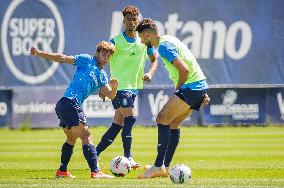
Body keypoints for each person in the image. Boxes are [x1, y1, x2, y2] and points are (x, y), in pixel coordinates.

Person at [29, 41, 117, 179]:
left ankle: (62, 171)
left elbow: (110, 95)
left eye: (109, 54)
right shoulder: (86, 60)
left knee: (71, 138)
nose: (106, 55)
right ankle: (96, 171)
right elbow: (61, 58)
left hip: (66, 104)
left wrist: (115, 87)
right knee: (87, 136)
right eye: (103, 52)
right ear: (97, 53)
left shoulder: (102, 76)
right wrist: (39, 53)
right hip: (69, 102)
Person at [135, 18, 211, 179]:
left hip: (191, 86)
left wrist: (178, 90)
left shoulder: (163, 46)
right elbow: (192, 62)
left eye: (141, 37)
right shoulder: (170, 39)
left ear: (148, 35)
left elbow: (184, 70)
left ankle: (157, 166)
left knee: (162, 119)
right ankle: (164, 167)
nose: (141, 41)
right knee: (174, 123)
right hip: (198, 85)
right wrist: (202, 89)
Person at [96, 5, 158, 169]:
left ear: (138, 20)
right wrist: (103, 86)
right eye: (128, 19)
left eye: (134, 19)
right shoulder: (115, 41)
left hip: (133, 89)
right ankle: (128, 157)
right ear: (124, 21)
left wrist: (150, 73)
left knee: (117, 125)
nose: (131, 22)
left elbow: (154, 60)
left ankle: (93, 154)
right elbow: (100, 60)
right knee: (130, 118)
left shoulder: (144, 41)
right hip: (119, 88)